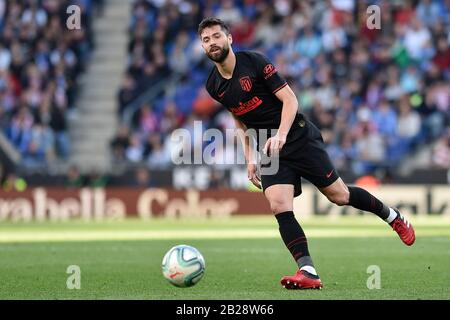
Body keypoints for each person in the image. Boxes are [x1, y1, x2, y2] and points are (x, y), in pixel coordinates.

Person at [199, 18, 416, 290]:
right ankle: (308, 271)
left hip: (297, 136)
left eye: (216, 36)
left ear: (229, 39)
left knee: (340, 196)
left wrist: (280, 134)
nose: (212, 43)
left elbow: (290, 99)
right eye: (206, 40)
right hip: (268, 146)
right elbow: (239, 117)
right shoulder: (213, 85)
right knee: (279, 204)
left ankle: (393, 217)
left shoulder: (254, 62)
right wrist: (249, 158)